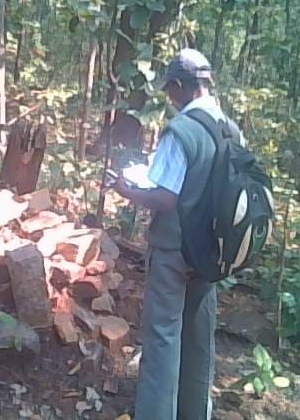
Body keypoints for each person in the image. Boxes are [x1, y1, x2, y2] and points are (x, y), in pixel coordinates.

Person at [112, 48, 244, 420]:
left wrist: (126, 190)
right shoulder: (231, 130)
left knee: (162, 338)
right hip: (213, 251)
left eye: (171, 89)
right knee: (200, 339)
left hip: (174, 249)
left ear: (182, 86)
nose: (170, 97)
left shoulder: (181, 130)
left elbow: (166, 198)